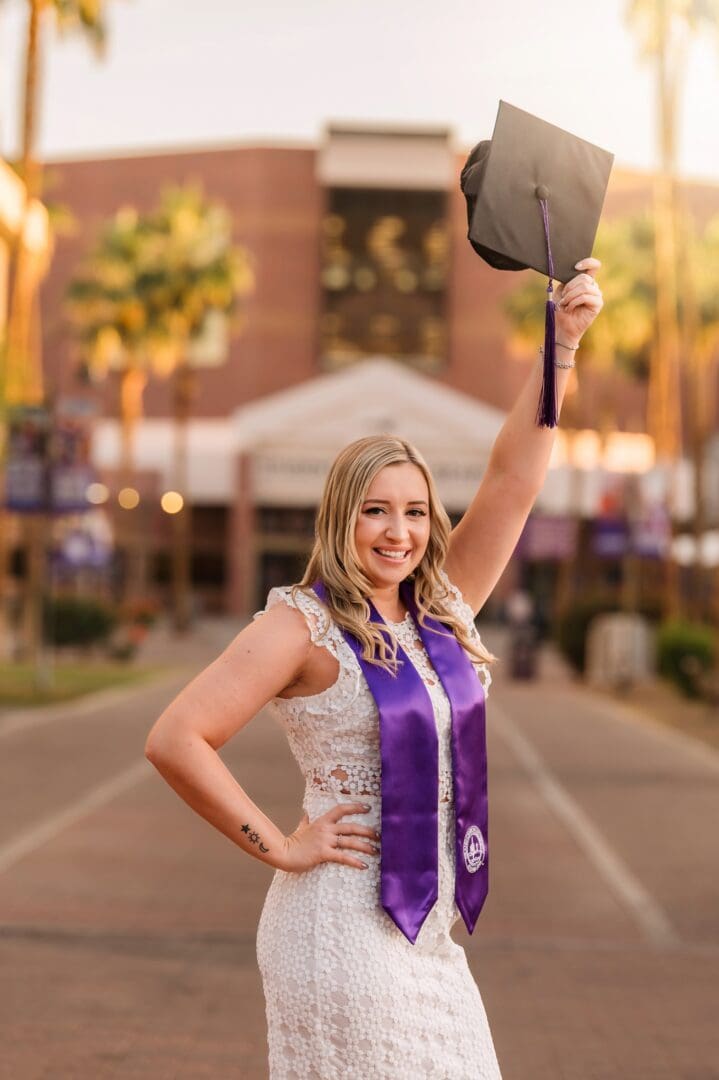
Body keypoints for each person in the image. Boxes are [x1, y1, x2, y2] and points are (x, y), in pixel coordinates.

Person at [144, 257, 603, 1079]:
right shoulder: (300, 624)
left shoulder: (440, 610)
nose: (398, 532)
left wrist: (558, 345)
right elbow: (176, 737)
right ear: (339, 517)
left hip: (430, 937)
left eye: (416, 511)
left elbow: (510, 478)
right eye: (376, 511)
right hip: (337, 926)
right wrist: (277, 846)